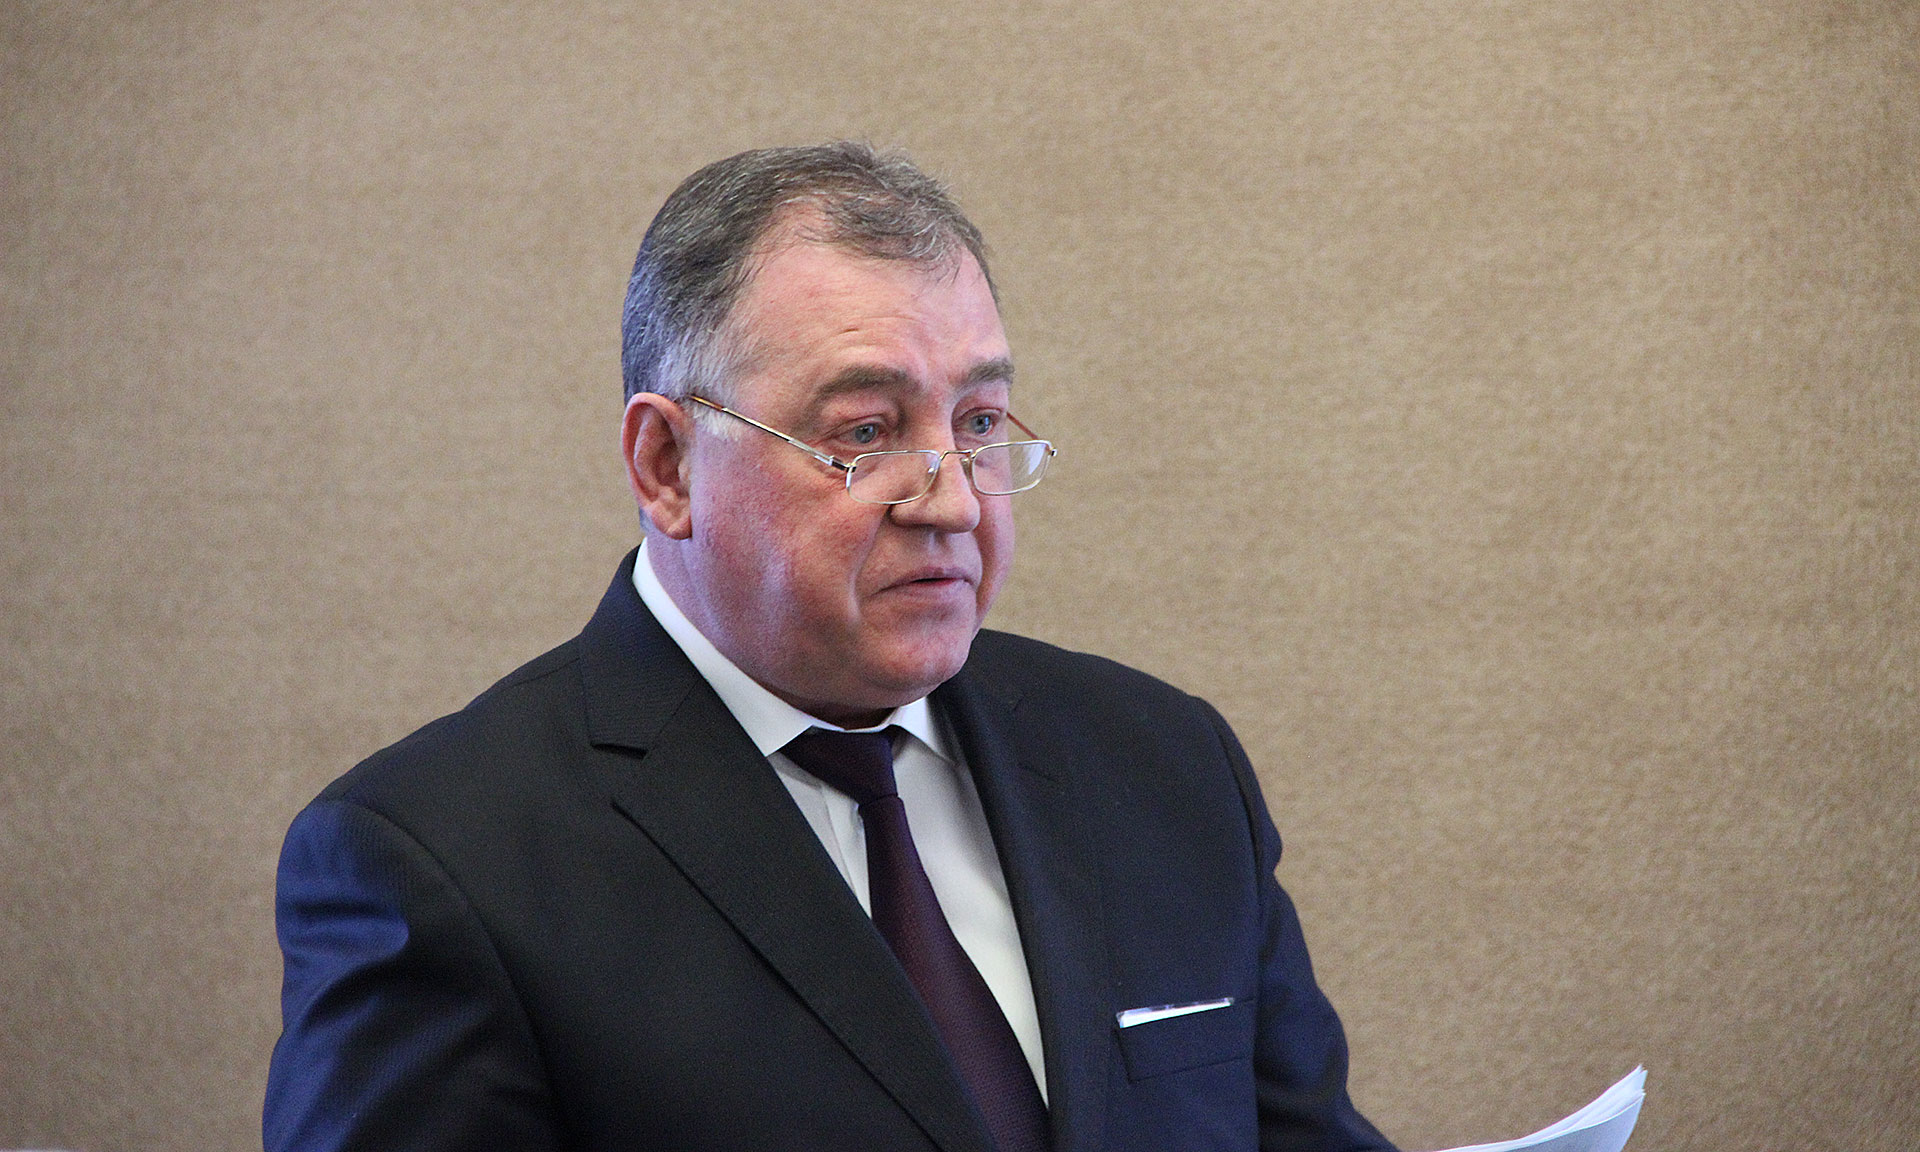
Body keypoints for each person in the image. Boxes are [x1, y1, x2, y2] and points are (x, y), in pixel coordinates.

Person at [264, 141, 1396, 1152]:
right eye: (865, 432)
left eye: (979, 424)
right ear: (667, 466)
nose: (953, 500)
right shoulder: (440, 860)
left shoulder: (1162, 764)